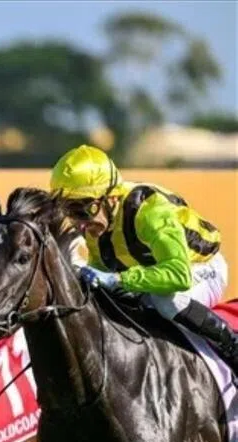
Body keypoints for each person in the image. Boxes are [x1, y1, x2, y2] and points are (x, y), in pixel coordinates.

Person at [50, 145, 238, 372]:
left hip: (198, 267)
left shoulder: (150, 211)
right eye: (70, 212)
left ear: (110, 198)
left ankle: (231, 345)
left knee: (164, 301)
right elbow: (102, 271)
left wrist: (119, 280)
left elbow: (178, 275)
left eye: (83, 210)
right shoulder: (96, 224)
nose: (79, 223)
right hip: (152, 272)